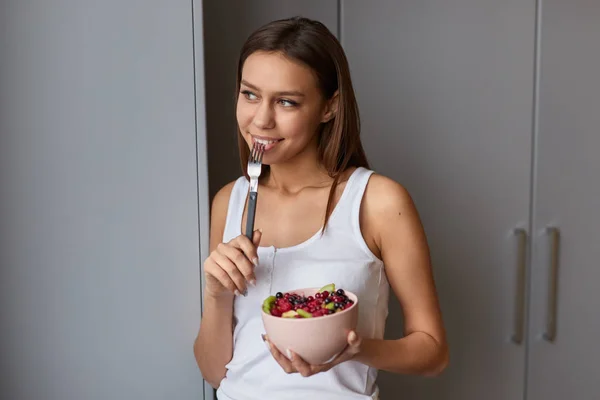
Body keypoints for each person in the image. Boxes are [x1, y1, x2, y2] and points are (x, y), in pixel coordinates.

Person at [194, 16, 448, 400]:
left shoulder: (377, 202)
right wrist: (216, 294)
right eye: (250, 94)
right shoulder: (229, 202)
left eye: (286, 102)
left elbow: (433, 352)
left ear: (328, 107)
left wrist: (353, 349)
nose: (260, 119)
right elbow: (215, 372)